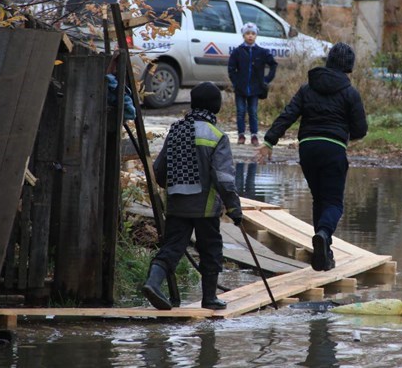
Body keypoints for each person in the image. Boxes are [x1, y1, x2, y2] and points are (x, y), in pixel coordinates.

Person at [256, 42, 368, 271]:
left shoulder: (308, 88)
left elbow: (288, 114)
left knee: (319, 199)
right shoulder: (350, 93)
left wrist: (269, 141)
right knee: (334, 202)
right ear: (348, 66)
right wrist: (348, 134)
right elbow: (361, 130)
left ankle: (322, 254)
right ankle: (324, 233)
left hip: (307, 148)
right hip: (333, 149)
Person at [143, 82, 243, 311]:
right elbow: (224, 178)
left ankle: (152, 282)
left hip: (177, 204)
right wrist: (234, 208)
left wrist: (174, 189)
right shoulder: (217, 135)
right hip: (205, 208)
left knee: (172, 247)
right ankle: (209, 298)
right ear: (215, 107)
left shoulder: (176, 129)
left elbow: (159, 170)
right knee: (211, 250)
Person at [228, 22, 278, 146]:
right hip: (241, 88)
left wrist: (266, 80)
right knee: (240, 111)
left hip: (256, 88)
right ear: (243, 35)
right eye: (247, 34)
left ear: (256, 35)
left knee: (253, 111)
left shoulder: (261, 52)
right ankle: (241, 135)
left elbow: (273, 64)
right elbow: (231, 68)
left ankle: (254, 135)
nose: (250, 36)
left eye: (253, 34)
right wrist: (235, 82)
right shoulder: (238, 52)